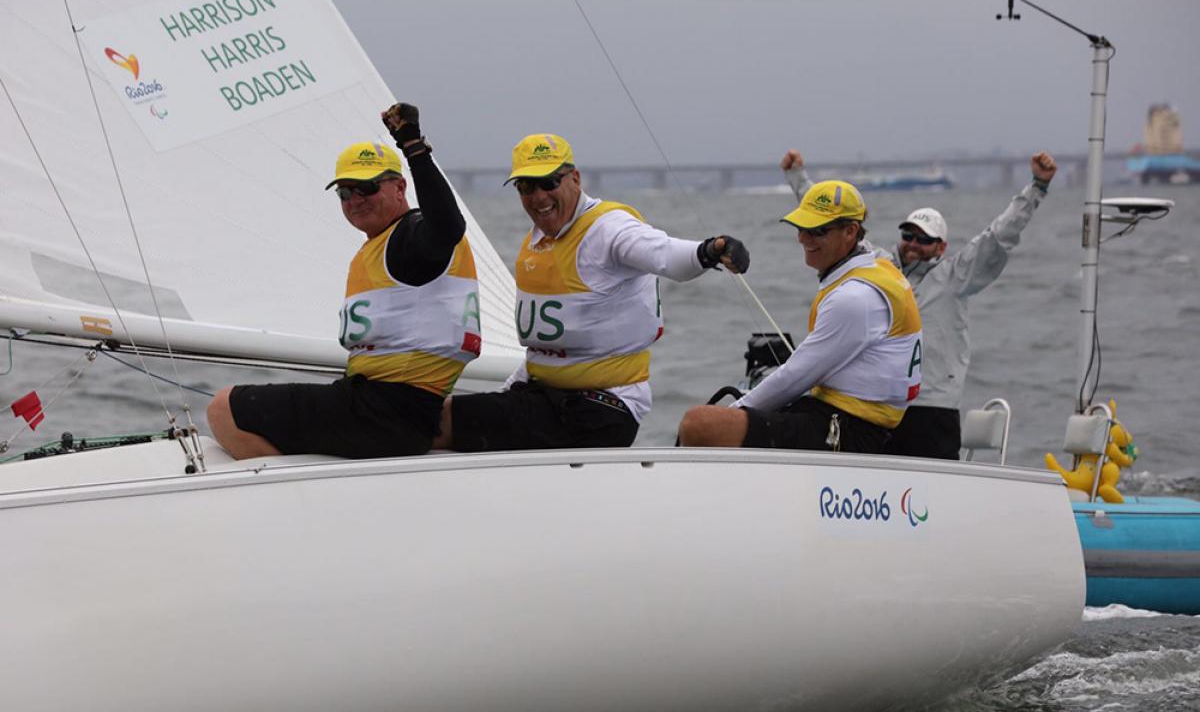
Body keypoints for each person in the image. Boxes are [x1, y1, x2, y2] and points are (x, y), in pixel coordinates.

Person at [432, 133, 750, 451]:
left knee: (436, 425)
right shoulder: (538, 240)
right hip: (546, 398)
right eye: (526, 187)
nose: (538, 196)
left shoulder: (608, 229)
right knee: (434, 415)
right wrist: (507, 389)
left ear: (575, 179)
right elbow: (542, 354)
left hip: (600, 408)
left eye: (548, 182)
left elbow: (667, 256)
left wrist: (710, 250)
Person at [206, 103, 481, 459]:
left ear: (400, 187)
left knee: (224, 408)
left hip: (386, 413)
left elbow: (447, 226)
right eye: (344, 193)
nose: (355, 200)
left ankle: (294, 502)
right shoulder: (379, 244)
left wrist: (413, 146)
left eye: (365, 188)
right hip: (391, 411)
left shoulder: (413, 238)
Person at [778, 149, 1058, 459]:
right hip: (878, 408)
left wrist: (1037, 187)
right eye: (908, 235)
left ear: (942, 246)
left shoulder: (957, 275)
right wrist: (797, 177)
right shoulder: (877, 266)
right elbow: (832, 223)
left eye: (924, 239)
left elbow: (1000, 236)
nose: (913, 243)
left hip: (933, 409)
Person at [677, 180, 922, 453]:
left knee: (699, 424)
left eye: (817, 231)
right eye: (802, 227)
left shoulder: (854, 298)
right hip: (842, 414)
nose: (803, 239)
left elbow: (795, 377)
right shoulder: (878, 262)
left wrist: (731, 413)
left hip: (853, 430)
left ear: (850, 232)